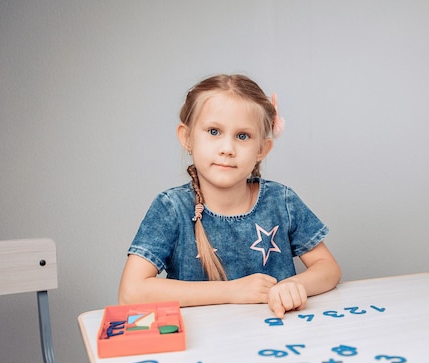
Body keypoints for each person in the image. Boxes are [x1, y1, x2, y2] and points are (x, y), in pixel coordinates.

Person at [118, 74, 341, 318]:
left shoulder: (281, 201)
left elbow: (328, 268)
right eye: (214, 131)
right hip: (203, 347)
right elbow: (131, 292)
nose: (227, 149)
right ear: (187, 137)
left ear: (261, 149)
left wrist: (295, 286)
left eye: (242, 136)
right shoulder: (171, 208)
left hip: (276, 341)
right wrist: (231, 291)